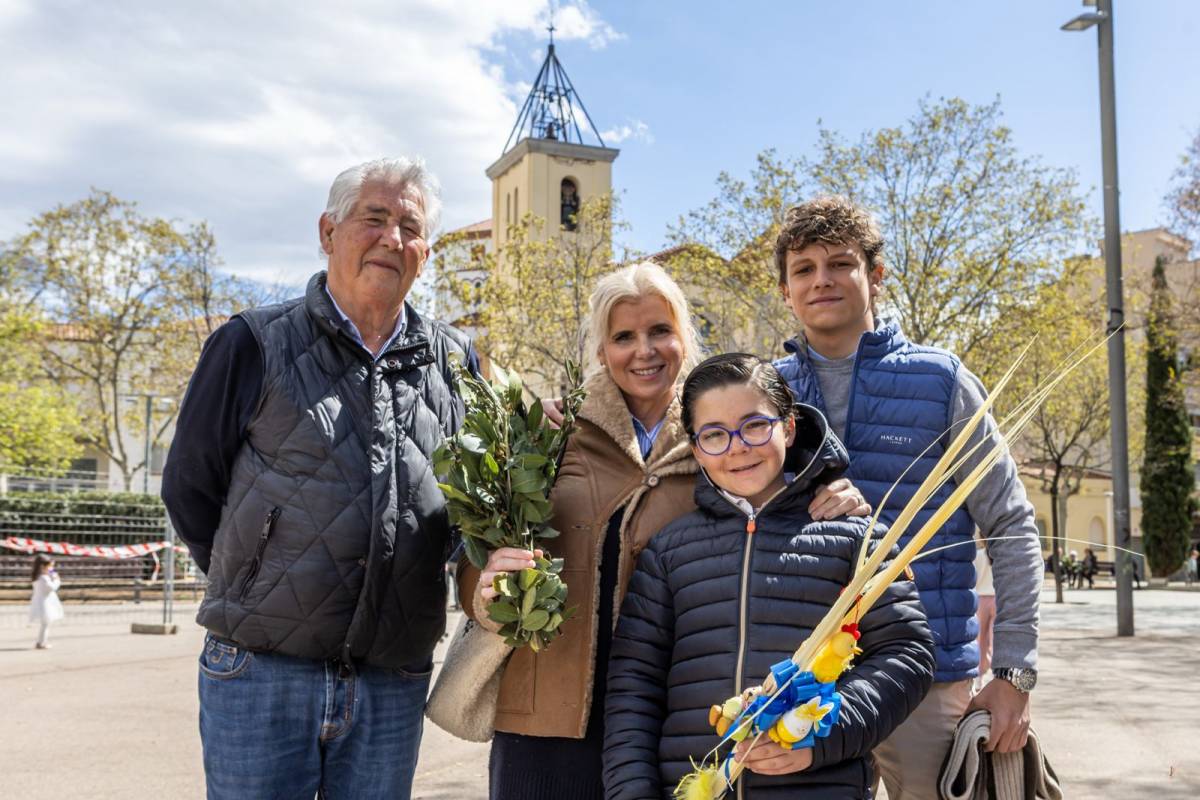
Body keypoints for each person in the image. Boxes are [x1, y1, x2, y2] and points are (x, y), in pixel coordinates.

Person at [458, 264, 869, 800]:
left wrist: (838, 492)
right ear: (602, 350)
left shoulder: (720, 438)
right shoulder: (550, 436)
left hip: (670, 718)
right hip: (547, 718)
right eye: (623, 336)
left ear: (683, 338)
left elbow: (778, 501)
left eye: (659, 331)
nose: (644, 350)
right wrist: (487, 591)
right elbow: (478, 558)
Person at [162, 157, 478, 800]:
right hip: (260, 670)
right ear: (328, 231)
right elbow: (189, 486)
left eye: (410, 227)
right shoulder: (253, 342)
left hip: (392, 679)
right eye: (375, 218)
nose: (392, 238)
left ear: (426, 253)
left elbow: (467, 504)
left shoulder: (456, 363)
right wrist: (250, 576)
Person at [771, 197, 1043, 799]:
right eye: (803, 268)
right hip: (800, 679)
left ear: (875, 275)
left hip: (929, 675)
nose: (821, 280)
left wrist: (1014, 673)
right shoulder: (765, 393)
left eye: (839, 263)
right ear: (786, 291)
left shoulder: (941, 380)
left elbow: (1011, 524)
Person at [603, 353, 935, 799]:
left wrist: (819, 733)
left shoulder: (856, 539)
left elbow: (907, 653)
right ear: (696, 449)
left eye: (755, 425)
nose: (738, 446)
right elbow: (633, 687)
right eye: (715, 435)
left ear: (789, 426)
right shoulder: (669, 552)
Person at [29, 554, 64, 649]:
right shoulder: (43, 578)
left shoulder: (40, 576)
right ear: (42, 566)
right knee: (45, 624)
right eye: (50, 566)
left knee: (46, 624)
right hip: (44, 604)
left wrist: (51, 576)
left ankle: (41, 642)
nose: (52, 568)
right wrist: (57, 580)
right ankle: (41, 643)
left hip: (43, 602)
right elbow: (52, 588)